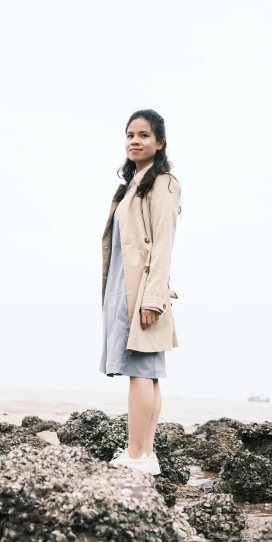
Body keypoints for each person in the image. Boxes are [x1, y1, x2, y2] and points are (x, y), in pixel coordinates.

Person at [99, 108, 181, 475]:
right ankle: (145, 453)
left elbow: (162, 244)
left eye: (144, 135)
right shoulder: (134, 183)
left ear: (159, 142)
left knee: (140, 370)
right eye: (130, 134)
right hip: (125, 287)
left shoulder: (163, 182)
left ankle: (137, 455)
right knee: (147, 371)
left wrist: (152, 298)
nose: (135, 140)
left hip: (143, 291)